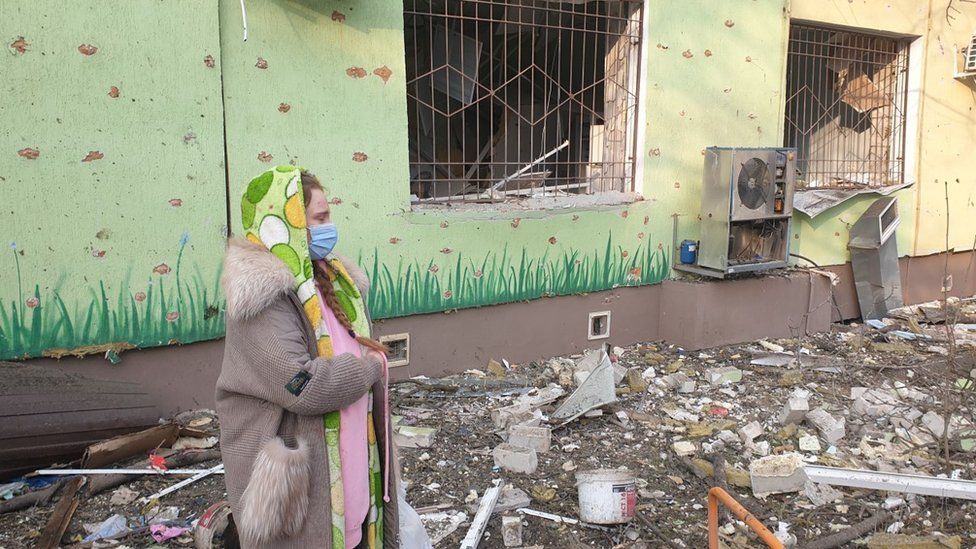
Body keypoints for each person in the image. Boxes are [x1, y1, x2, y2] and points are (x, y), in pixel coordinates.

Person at [216, 166, 400, 548]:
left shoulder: (328, 280)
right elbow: (301, 384)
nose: (329, 227)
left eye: (328, 216)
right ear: (287, 224)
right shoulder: (264, 300)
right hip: (299, 479)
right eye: (320, 218)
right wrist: (368, 369)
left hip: (347, 468)